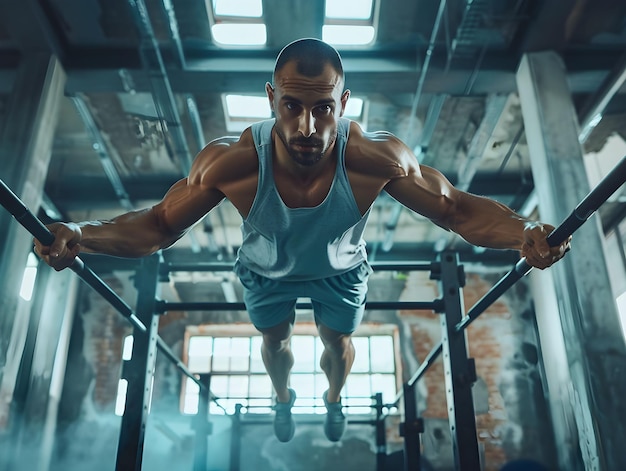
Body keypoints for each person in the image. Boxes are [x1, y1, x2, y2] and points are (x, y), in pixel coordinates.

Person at [35, 38, 570, 443]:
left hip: (342, 270)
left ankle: (334, 397)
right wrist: (81, 234)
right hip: (265, 270)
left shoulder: (374, 159)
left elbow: (455, 209)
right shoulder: (233, 162)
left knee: (335, 344)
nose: (308, 127)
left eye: (324, 108)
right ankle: (283, 395)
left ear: (344, 100)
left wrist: (524, 232)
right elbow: (157, 226)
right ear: (271, 98)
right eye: (292, 106)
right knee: (275, 343)